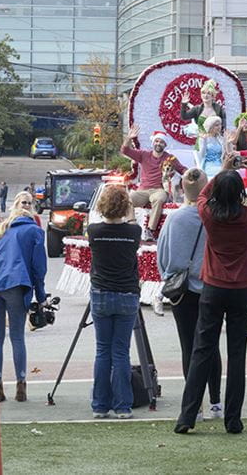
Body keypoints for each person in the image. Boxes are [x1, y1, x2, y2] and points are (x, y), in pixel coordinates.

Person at [174, 153, 247, 435]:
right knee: (237, 354)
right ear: (240, 193)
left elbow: (202, 194)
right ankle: (233, 419)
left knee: (202, 351)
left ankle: (187, 416)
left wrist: (222, 171)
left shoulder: (208, 214)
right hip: (240, 289)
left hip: (213, 288)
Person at [157, 169, 225, 422]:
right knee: (211, 346)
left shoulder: (175, 219)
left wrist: (168, 274)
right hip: (211, 286)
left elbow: (161, 254)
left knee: (189, 347)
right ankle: (216, 401)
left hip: (183, 290)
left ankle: (195, 405)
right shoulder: (215, 218)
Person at [0, 196, 48, 404]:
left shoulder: (2, 230)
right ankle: (20, 384)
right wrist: (41, 296)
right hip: (16, 282)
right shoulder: (34, 231)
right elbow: (38, 267)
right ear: (31, 211)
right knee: (17, 337)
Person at [87, 184, 143, 419]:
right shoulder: (134, 232)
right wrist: (130, 207)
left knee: (103, 350)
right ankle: (122, 406)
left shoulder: (94, 231)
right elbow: (130, 222)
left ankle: (100, 405)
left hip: (101, 291)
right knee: (121, 351)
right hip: (127, 293)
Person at [121, 125, 187, 237]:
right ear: (153, 142)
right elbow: (125, 150)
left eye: (161, 142)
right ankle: (132, 225)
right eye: (156, 141)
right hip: (143, 190)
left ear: (165, 145)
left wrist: (193, 174)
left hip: (158, 189)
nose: (158, 143)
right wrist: (129, 138)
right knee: (127, 199)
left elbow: (183, 170)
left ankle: (150, 230)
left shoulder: (170, 158)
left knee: (159, 199)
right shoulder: (144, 155)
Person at [195, 116, 226, 180]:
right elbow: (202, 155)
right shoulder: (203, 138)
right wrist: (204, 142)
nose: (219, 127)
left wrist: (228, 142)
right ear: (210, 127)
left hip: (220, 163)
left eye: (220, 125)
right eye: (217, 125)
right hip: (209, 164)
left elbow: (224, 154)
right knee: (221, 174)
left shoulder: (220, 139)